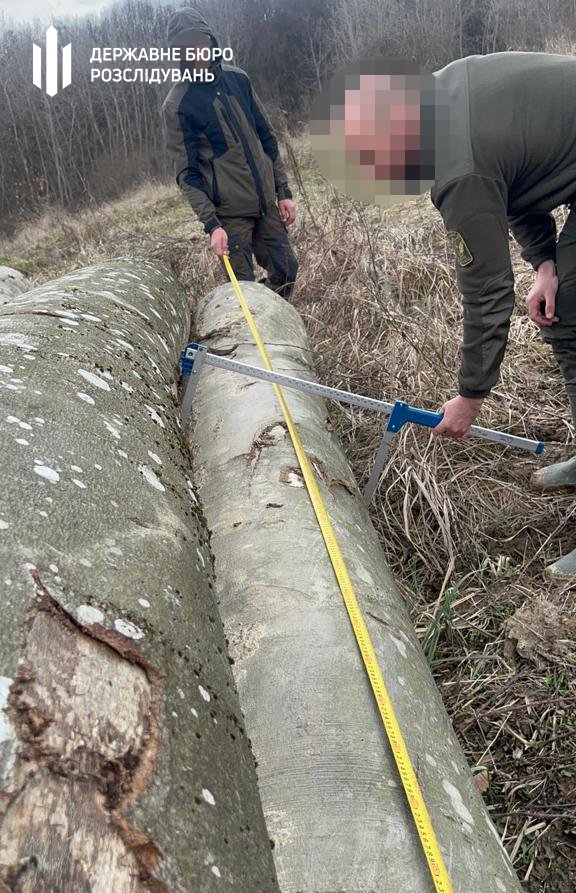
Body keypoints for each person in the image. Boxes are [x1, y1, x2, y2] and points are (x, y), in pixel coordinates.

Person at [318, 53, 575, 578]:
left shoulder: (458, 167)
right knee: (566, 308)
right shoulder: (443, 97)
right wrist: (546, 264)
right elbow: (516, 186)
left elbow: (488, 289)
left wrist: (470, 396)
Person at [162, 7, 298, 300]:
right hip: (229, 217)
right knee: (243, 294)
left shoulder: (239, 80)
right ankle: (249, 325)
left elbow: (267, 137)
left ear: (210, 41)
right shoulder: (177, 104)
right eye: (186, 47)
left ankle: (274, 316)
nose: (195, 51)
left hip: (265, 203)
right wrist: (212, 225)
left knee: (287, 271)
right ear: (178, 53)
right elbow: (187, 175)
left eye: (199, 42)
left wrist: (283, 191)